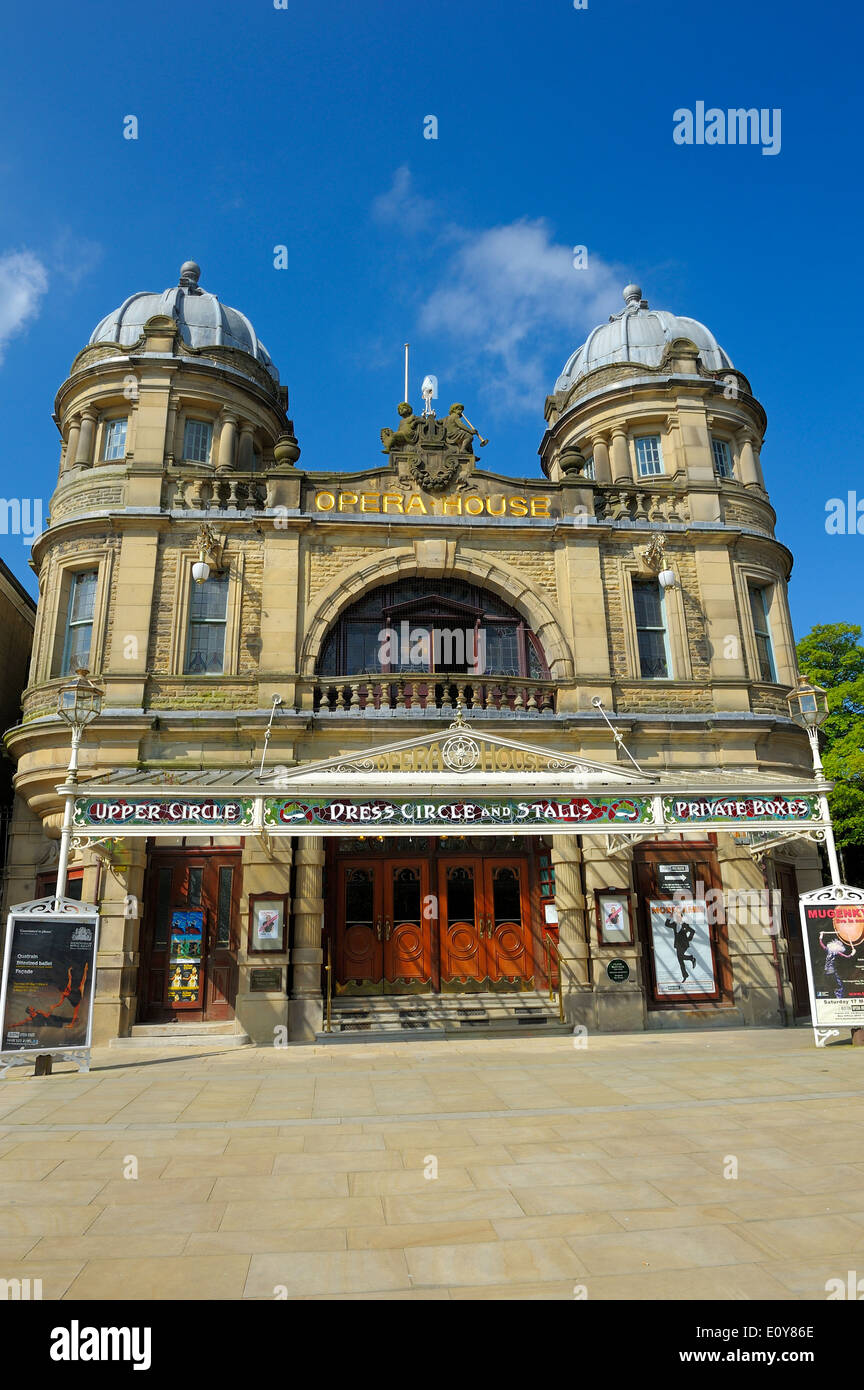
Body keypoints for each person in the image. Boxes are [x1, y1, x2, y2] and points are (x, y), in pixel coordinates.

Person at [664, 908, 697, 983]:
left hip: (684, 944)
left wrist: (689, 939)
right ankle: (685, 974)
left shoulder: (685, 925)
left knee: (680, 958)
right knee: (680, 960)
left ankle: (691, 959)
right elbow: (666, 924)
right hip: (678, 945)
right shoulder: (674, 925)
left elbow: (692, 931)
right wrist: (670, 916)